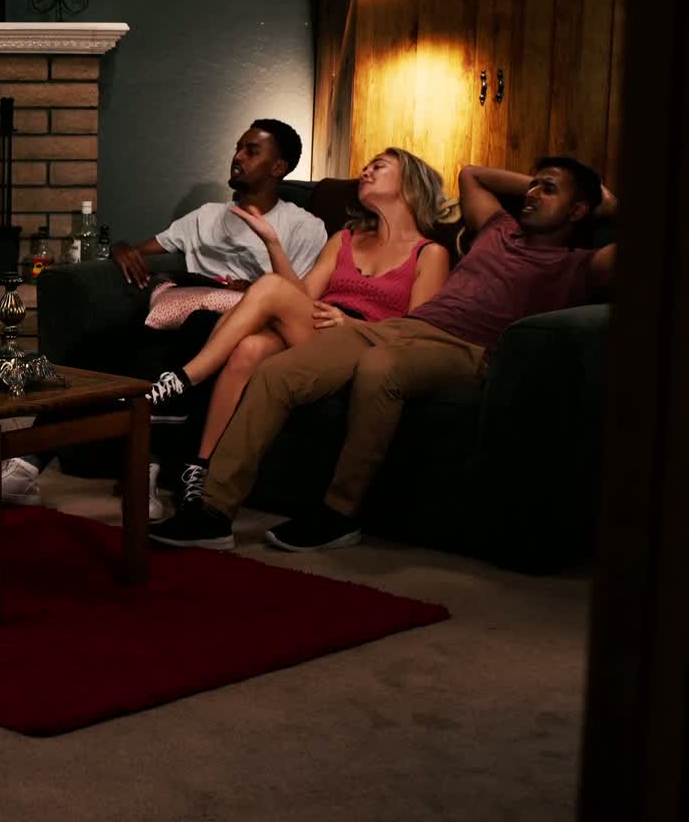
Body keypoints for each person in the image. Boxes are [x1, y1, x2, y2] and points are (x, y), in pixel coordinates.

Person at [150, 157, 617, 553]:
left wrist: (604, 204)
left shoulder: (581, 265)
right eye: (533, 185)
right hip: (404, 328)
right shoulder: (498, 228)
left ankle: (340, 513)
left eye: (548, 190)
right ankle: (213, 511)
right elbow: (472, 173)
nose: (532, 194)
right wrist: (545, 184)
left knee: (380, 368)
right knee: (277, 372)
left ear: (579, 210)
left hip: (471, 349)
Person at [2, 119, 327, 507]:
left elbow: (297, 301)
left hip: (235, 326)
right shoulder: (206, 216)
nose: (238, 157)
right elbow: (141, 250)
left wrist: (250, 288)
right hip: (177, 315)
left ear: (279, 167)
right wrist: (121, 249)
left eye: (251, 151)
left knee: (199, 324)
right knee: (97, 346)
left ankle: (147, 467)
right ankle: (27, 464)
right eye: (238, 147)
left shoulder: (304, 227)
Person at [140, 148, 453, 515]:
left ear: (411, 184)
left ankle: (182, 381)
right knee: (249, 348)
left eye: (379, 167)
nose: (366, 171)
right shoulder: (345, 239)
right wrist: (272, 242)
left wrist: (353, 324)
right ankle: (202, 468)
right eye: (367, 165)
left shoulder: (430, 254)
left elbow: (412, 334)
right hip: (313, 327)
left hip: (359, 343)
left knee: (269, 291)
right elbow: (300, 297)